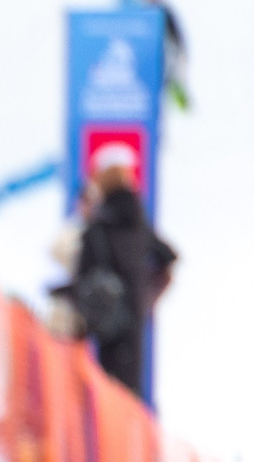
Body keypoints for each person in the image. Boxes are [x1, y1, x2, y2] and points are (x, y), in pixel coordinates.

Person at [62, 141, 177, 402]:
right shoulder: (137, 220)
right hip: (133, 319)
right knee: (129, 398)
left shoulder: (98, 228)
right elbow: (168, 257)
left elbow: (82, 279)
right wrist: (146, 294)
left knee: (107, 398)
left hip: (107, 324)